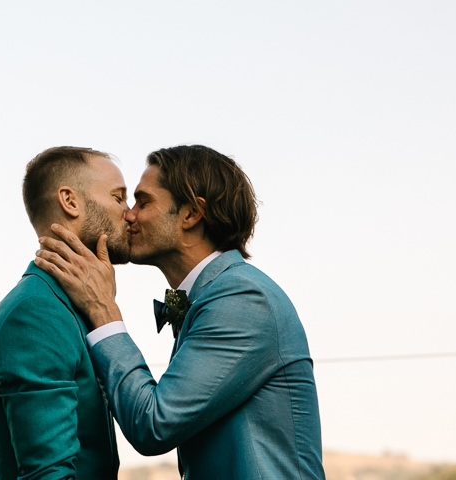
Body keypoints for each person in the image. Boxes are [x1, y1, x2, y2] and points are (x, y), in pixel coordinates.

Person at [35, 145, 325, 480]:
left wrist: (103, 312)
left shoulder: (243, 298)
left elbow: (154, 424)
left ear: (190, 214)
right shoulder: (215, 295)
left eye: (143, 202)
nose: (128, 214)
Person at [0, 146, 131, 480]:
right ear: (70, 201)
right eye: (119, 197)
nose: (129, 213)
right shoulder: (37, 313)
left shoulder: (67, 306)